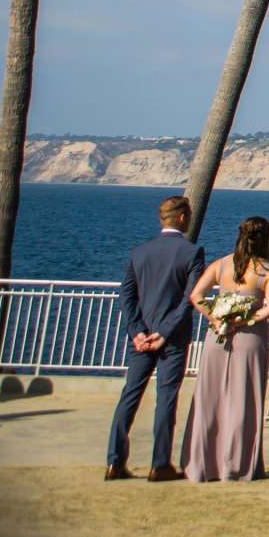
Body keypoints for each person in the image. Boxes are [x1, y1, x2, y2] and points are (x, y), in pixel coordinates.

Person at [104, 194, 203, 482]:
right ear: (183, 218)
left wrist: (138, 332)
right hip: (171, 341)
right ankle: (160, 464)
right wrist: (164, 333)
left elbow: (128, 296)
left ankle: (114, 461)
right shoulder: (191, 253)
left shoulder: (139, 252)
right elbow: (189, 299)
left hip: (140, 340)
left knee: (129, 397)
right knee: (166, 399)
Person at [180, 214, 269, 482]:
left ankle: (202, 464)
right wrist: (245, 319)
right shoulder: (267, 271)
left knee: (209, 398)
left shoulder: (221, 265)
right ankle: (235, 465)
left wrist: (214, 318)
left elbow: (196, 296)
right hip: (249, 339)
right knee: (243, 399)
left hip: (217, 338)